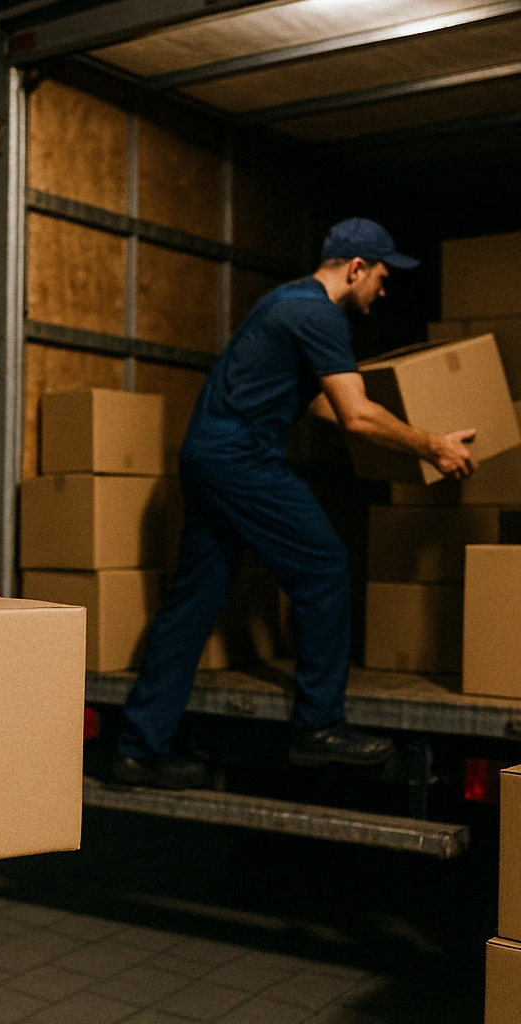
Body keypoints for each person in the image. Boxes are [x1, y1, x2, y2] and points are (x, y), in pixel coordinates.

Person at [113, 217, 476, 790]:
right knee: (324, 568)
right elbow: (356, 415)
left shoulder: (284, 301)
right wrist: (432, 445)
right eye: (381, 278)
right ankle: (319, 726)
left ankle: (136, 752)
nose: (383, 291)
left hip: (206, 456)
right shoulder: (319, 315)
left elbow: (323, 405)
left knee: (194, 600)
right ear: (356, 268)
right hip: (243, 460)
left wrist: (390, 436)